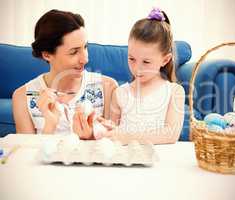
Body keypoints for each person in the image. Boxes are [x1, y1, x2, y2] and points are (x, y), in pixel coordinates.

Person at [12, 9, 118, 139]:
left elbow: (115, 150)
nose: (85, 59)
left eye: (85, 47)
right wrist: (49, 126)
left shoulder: (107, 87)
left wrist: (91, 136)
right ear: (47, 54)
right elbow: (27, 156)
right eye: (74, 52)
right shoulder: (22, 97)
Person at [96, 8, 185, 144]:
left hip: (161, 161)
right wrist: (104, 127)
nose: (137, 68)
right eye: (132, 59)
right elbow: (113, 133)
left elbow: (171, 135)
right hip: (127, 159)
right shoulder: (120, 93)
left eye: (146, 62)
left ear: (165, 60)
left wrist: (128, 137)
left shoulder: (174, 91)